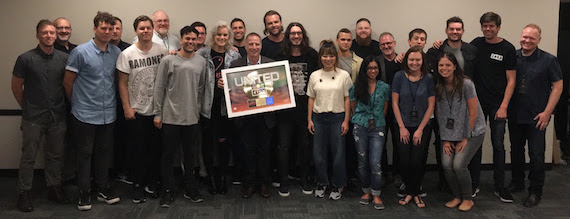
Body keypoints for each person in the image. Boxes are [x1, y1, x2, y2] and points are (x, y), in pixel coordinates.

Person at [63, 11, 121, 211]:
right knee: (84, 154)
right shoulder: (80, 52)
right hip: (85, 113)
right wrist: (77, 104)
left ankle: (103, 189)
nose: (107, 32)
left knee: (104, 153)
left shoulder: (116, 53)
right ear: (95, 28)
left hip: (108, 114)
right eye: (103, 28)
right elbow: (68, 83)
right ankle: (84, 192)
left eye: (110, 29)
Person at [12, 19, 69, 212]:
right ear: (37, 35)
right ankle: (24, 193)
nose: (49, 35)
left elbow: (67, 85)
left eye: (52, 32)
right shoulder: (25, 59)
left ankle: (54, 187)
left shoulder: (63, 58)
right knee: (28, 157)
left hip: (57, 116)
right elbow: (16, 87)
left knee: (55, 155)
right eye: (45, 32)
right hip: (33, 117)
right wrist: (27, 107)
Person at [508, 24, 563, 207]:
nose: (527, 40)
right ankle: (517, 182)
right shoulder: (512, 57)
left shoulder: (549, 60)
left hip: (537, 116)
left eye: (531, 38)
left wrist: (547, 113)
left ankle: (535, 190)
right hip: (515, 114)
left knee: (537, 155)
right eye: (524, 37)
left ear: (539, 40)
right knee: (515, 152)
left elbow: (558, 86)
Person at [116, 15, 168, 203]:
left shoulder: (162, 51)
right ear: (136, 31)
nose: (145, 31)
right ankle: (137, 186)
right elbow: (122, 83)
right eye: (141, 28)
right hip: (136, 110)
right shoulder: (127, 54)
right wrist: (126, 107)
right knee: (137, 152)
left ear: (152, 30)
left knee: (156, 151)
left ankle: (151, 183)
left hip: (156, 110)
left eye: (148, 28)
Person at [154, 26, 207, 208]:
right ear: (181, 39)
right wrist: (158, 113)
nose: (190, 42)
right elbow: (159, 87)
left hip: (192, 118)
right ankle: (168, 191)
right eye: (187, 38)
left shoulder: (201, 62)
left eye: (194, 39)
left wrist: (198, 111)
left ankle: (190, 188)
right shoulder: (168, 60)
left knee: (190, 157)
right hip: (170, 117)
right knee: (168, 156)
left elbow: (200, 89)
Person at [427, 16, 479, 193]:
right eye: (452, 29)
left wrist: (466, 135)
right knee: (445, 152)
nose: (455, 32)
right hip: (446, 110)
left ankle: (469, 188)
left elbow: (473, 112)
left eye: (458, 29)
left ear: (463, 31)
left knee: (462, 158)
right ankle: (447, 184)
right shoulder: (437, 49)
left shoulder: (471, 50)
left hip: (465, 108)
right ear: (446, 30)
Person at [470, 12, 517, 203]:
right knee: (475, 144)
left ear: (498, 27)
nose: (488, 29)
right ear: (481, 27)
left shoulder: (507, 48)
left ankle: (500, 186)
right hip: (477, 104)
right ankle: (473, 183)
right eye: (485, 26)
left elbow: (511, 80)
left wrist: (504, 106)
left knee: (498, 144)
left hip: (498, 105)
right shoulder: (475, 44)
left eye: (491, 26)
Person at [435, 52, 486, 212]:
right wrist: (446, 138)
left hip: (472, 131)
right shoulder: (438, 86)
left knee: (458, 165)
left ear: (455, 67)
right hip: (450, 133)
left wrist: (465, 137)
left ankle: (467, 198)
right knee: (446, 164)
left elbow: (473, 113)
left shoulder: (466, 84)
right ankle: (457, 196)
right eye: (441, 65)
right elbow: (441, 115)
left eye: (448, 65)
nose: (444, 68)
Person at [229, 32, 276, 199]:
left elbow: (277, 91)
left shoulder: (271, 64)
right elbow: (233, 92)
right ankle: (248, 184)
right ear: (246, 46)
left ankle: (264, 184)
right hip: (245, 117)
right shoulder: (236, 65)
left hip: (265, 116)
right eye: (251, 44)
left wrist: (274, 103)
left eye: (257, 44)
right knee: (247, 152)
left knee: (264, 152)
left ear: (261, 46)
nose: (254, 47)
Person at [274, 22, 319, 197]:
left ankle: (305, 179)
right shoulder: (280, 55)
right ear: (288, 36)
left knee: (304, 145)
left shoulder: (311, 55)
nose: (296, 36)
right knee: (283, 146)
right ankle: (284, 181)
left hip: (305, 109)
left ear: (303, 35)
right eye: (292, 33)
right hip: (284, 110)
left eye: (299, 33)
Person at [197, 21, 241, 195]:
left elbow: (239, 82)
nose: (222, 38)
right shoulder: (202, 54)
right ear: (213, 36)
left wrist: (228, 84)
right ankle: (210, 178)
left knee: (223, 144)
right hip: (207, 106)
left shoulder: (234, 56)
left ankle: (222, 177)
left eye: (225, 35)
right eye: (219, 35)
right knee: (207, 144)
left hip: (226, 108)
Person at [307, 40, 353, 200]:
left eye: (331, 56)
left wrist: (346, 120)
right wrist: (309, 120)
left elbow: (348, 99)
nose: (328, 59)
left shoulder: (344, 75)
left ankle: (338, 184)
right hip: (318, 118)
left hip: (337, 117)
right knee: (318, 154)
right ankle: (322, 182)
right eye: (325, 56)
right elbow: (311, 99)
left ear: (336, 57)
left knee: (338, 154)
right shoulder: (315, 75)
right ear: (321, 57)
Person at [392, 46, 435, 208]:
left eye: (418, 60)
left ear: (422, 61)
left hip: (422, 126)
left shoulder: (429, 78)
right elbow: (395, 103)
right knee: (404, 161)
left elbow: (431, 106)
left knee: (417, 160)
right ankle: (411, 190)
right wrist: (402, 127)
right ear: (406, 61)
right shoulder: (398, 76)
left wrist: (420, 129)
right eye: (411, 59)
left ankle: (414, 193)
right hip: (402, 125)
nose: (414, 63)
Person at [349, 56, 390, 210]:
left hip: (378, 127)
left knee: (375, 162)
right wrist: (362, 119)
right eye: (370, 68)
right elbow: (353, 106)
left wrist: (376, 119)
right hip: (360, 126)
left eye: (375, 68)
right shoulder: (356, 86)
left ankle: (376, 193)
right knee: (362, 161)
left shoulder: (384, 87)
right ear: (364, 70)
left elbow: (385, 108)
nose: (373, 71)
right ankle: (366, 191)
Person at [376, 32, 403, 187]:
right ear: (380, 46)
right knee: (381, 142)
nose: (386, 46)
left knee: (399, 143)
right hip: (382, 109)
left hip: (400, 109)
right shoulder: (376, 62)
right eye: (383, 44)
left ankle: (398, 173)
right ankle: (384, 173)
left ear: (394, 43)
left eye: (389, 43)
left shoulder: (403, 61)